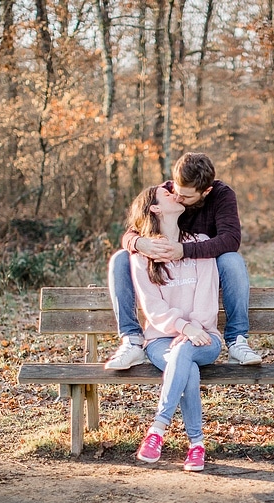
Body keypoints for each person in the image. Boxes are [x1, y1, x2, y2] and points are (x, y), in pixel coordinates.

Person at [105, 152, 262, 370]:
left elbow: (231, 239)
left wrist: (184, 250)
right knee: (121, 258)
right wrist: (141, 243)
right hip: (169, 277)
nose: (178, 199)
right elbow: (132, 231)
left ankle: (237, 340)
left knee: (232, 260)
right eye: (176, 192)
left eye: (186, 197)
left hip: (204, 272)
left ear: (206, 192)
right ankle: (131, 340)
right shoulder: (165, 194)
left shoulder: (222, 196)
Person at [126, 184, 221, 471]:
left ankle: (158, 428)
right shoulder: (141, 256)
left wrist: (193, 330)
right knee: (184, 361)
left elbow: (207, 298)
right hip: (160, 342)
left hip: (205, 338)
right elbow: (152, 309)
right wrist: (182, 328)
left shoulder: (200, 243)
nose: (174, 193)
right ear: (154, 208)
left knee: (185, 351)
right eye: (166, 194)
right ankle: (196, 445)